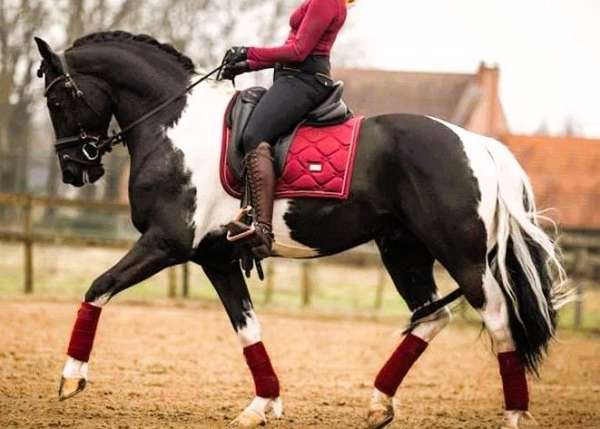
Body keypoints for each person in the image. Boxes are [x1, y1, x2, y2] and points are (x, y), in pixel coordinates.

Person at [220, 0, 353, 258]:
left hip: (303, 80)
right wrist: (247, 64)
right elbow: (291, 50)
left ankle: (262, 230)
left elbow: (298, 52)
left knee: (254, 135)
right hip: (291, 78)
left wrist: (249, 52)